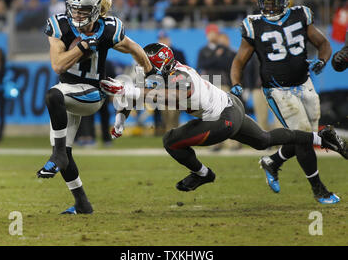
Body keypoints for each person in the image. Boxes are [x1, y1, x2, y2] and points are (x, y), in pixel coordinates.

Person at [100, 42, 348, 204]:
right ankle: (321, 138)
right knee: (263, 140)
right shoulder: (160, 73)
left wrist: (130, 90)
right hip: (229, 106)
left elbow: (172, 95)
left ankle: (203, 174)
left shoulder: (180, 76)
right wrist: (121, 119)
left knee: (170, 141)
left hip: (222, 118)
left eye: (147, 63)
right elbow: (135, 96)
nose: (142, 67)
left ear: (161, 65)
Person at [36, 0, 153, 215]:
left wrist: (149, 73)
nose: (77, 14)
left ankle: (57, 154)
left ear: (96, 10)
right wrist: (82, 48)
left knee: (52, 96)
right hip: (69, 91)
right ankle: (82, 203)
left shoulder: (108, 29)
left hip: (92, 94)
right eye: (74, 9)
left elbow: (134, 48)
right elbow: (58, 64)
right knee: (66, 150)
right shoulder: (60, 25)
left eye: (82, 10)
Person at [230, 0, 334, 196]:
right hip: (277, 89)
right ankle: (319, 190)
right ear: (259, 4)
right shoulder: (253, 25)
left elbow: (323, 43)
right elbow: (239, 61)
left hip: (304, 83)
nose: (270, 8)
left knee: (307, 136)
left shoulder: (301, 15)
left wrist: (322, 61)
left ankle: (272, 161)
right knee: (304, 136)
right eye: (266, 4)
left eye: (275, 3)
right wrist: (236, 84)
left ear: (285, 2)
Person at [157, 30, 186, 133]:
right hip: (162, 88)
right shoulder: (156, 56)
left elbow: (184, 70)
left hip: (175, 88)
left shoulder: (178, 53)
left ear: (168, 40)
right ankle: (170, 135)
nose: (163, 42)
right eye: (160, 40)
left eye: (164, 39)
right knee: (165, 114)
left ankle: (173, 136)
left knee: (174, 114)